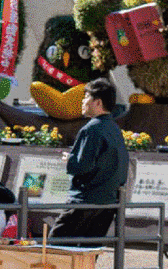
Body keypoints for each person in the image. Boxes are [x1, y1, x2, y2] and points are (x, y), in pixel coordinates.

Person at [50, 77, 129, 247]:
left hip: (85, 200)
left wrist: (69, 160)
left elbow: (82, 165)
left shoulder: (91, 128)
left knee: (57, 248)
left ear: (97, 102)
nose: (82, 101)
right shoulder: (114, 128)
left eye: (86, 97)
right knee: (88, 255)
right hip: (108, 203)